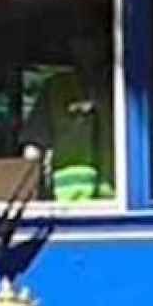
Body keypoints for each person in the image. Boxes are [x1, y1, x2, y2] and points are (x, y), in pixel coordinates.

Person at [25, 29, 115, 201]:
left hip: (118, 201)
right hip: (67, 205)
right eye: (80, 39)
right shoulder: (54, 88)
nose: (87, 46)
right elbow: (34, 147)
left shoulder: (125, 85)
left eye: (93, 39)